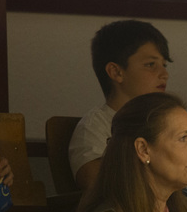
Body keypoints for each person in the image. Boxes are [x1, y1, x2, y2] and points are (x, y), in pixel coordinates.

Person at [69, 20, 175, 193]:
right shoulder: (96, 125)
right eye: (150, 65)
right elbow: (93, 180)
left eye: (164, 65)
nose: (164, 74)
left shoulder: (171, 123)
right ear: (116, 72)